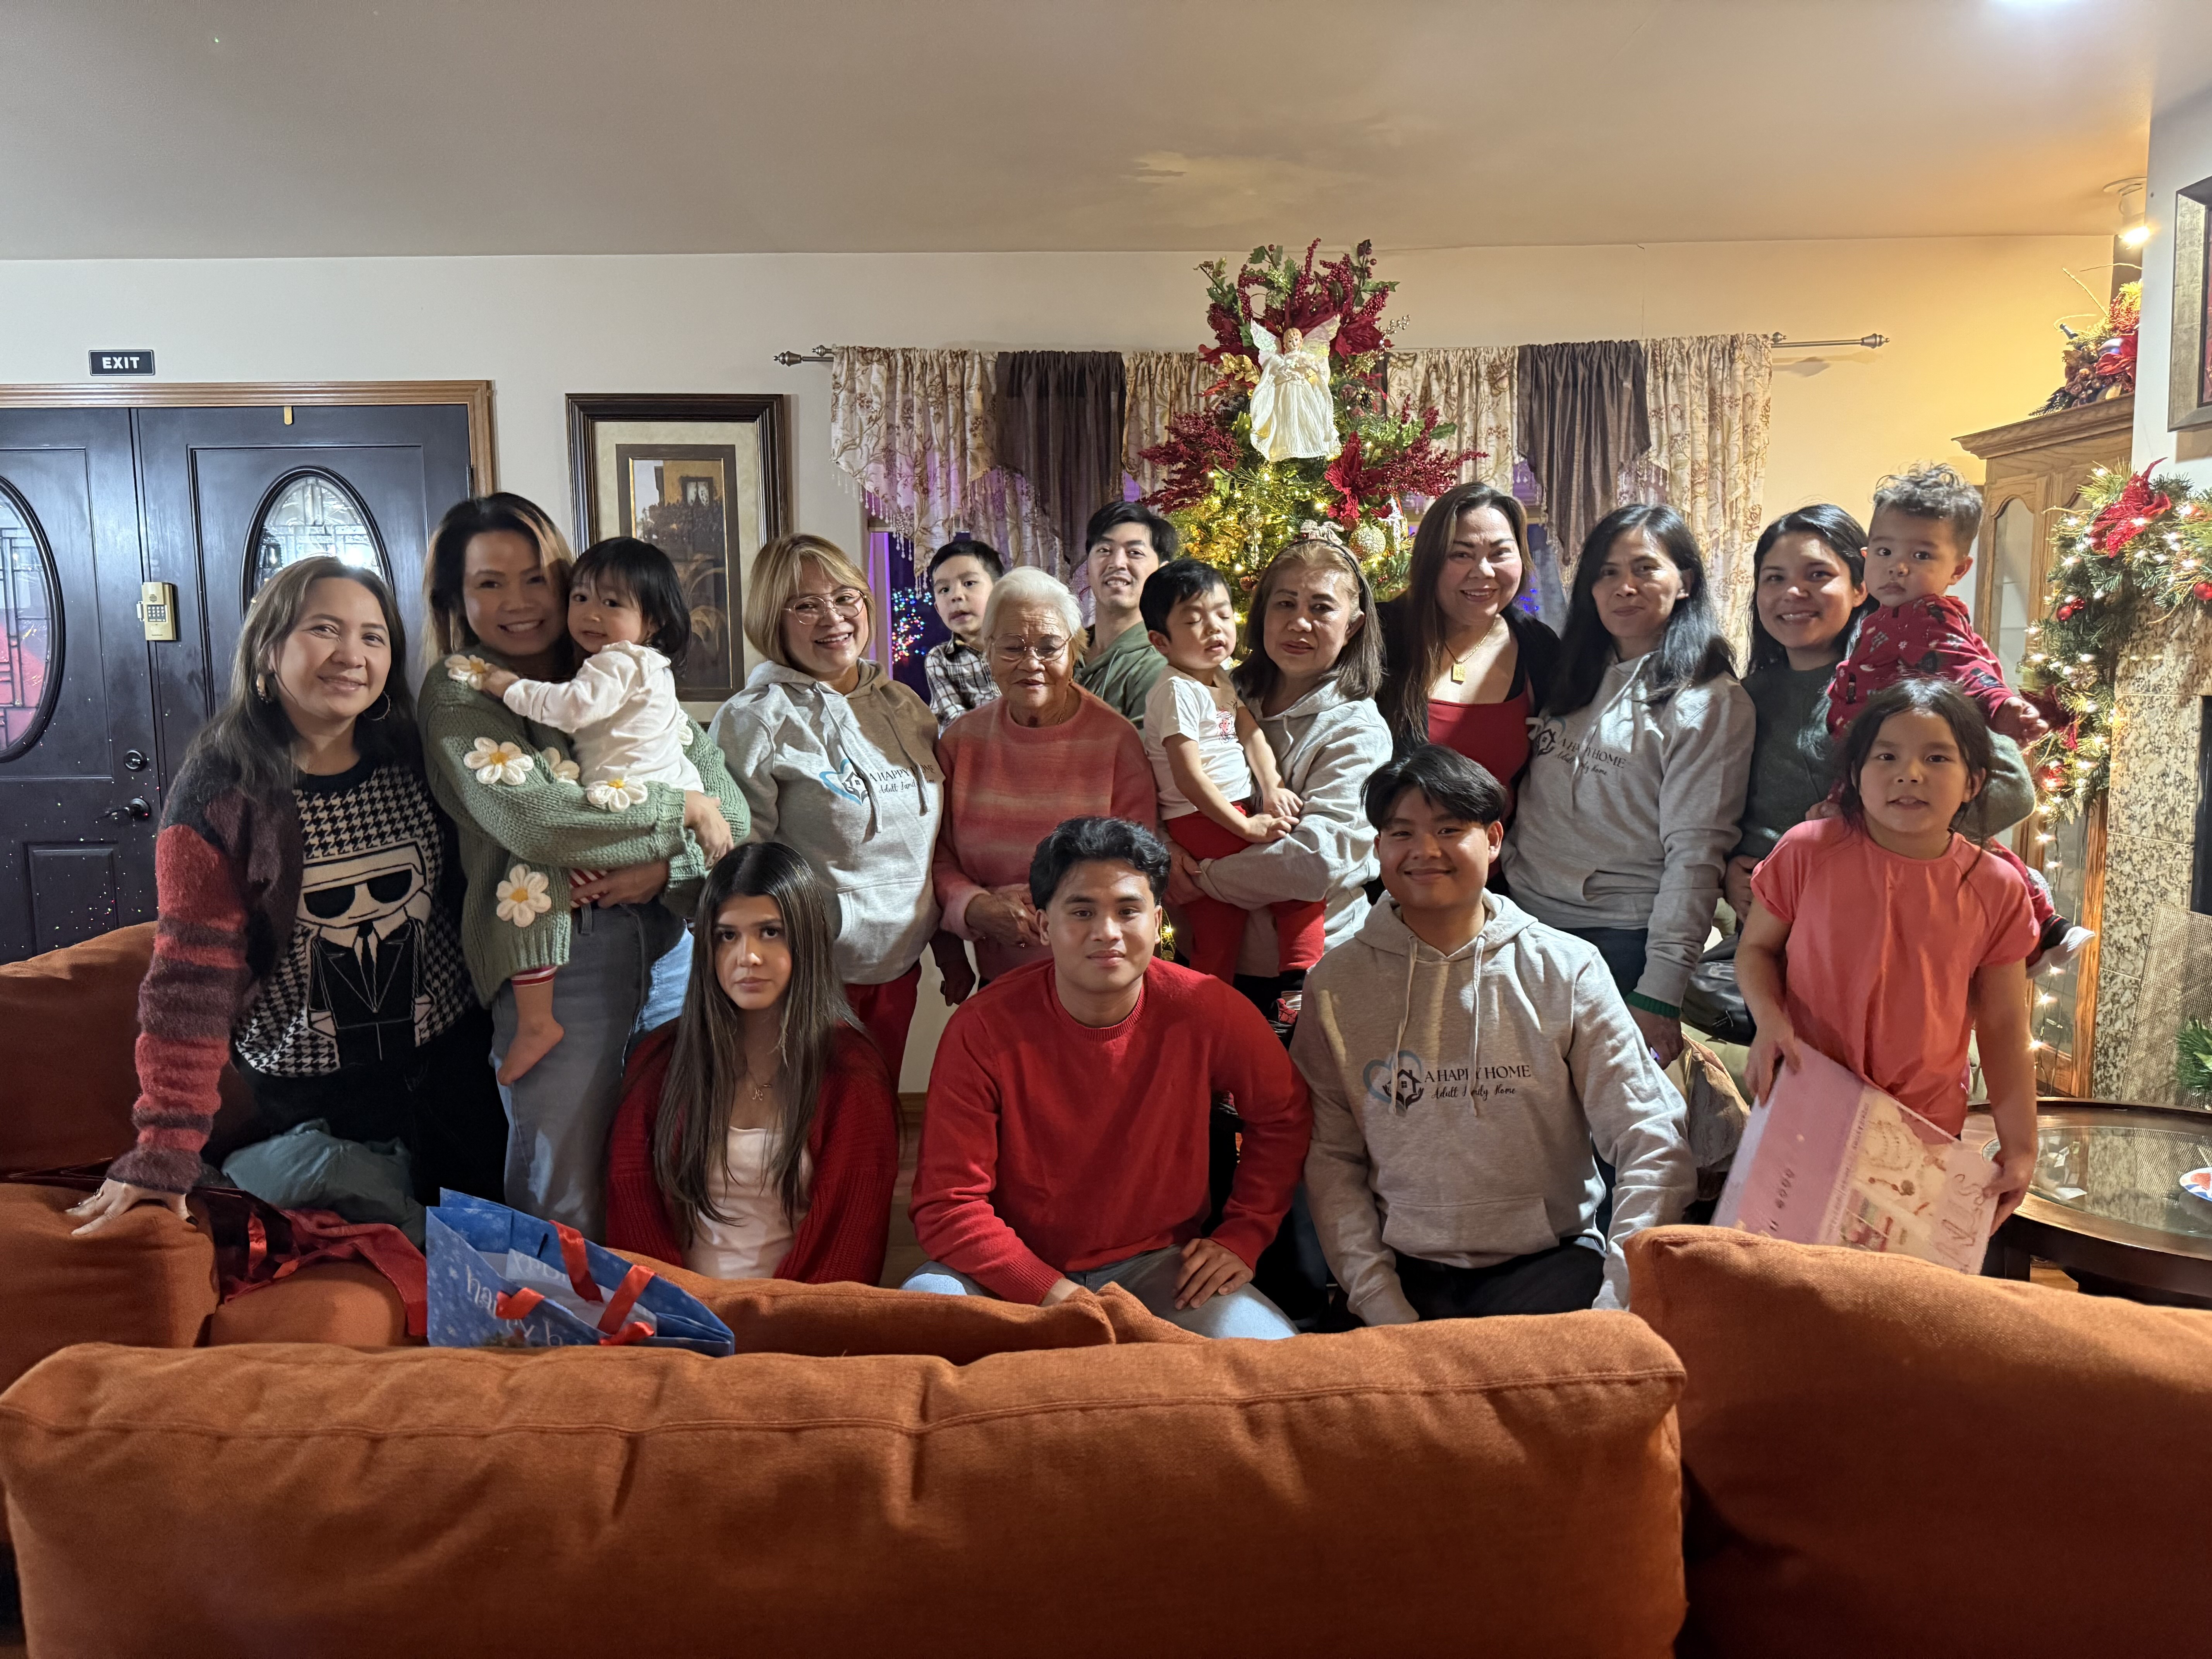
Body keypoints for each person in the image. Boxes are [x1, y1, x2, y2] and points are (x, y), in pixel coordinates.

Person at [70, 558, 506, 1236]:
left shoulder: (418, 758)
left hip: (456, 1078)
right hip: (315, 1109)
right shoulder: (221, 791)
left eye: (373, 636)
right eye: (325, 629)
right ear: (269, 650)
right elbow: (189, 982)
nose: (351, 654)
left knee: (487, 1291)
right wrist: (163, 1148)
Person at [418, 494, 748, 1240]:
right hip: (555, 964)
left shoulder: (621, 671)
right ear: (455, 597)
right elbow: (537, 820)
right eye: (489, 584)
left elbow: (729, 805)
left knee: (664, 1156)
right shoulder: (462, 688)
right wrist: (676, 819)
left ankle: (650, 1340)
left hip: (668, 946)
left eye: (537, 579)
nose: (519, 603)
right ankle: (558, 1345)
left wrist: (665, 872)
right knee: (560, 1178)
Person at [1296, 747, 1693, 1320]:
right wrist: (1379, 1300)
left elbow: (1650, 1136)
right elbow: (1331, 1158)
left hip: (1551, 1264)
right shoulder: (1335, 984)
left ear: (1494, 838)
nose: (1424, 850)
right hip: (1404, 1272)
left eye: (1450, 829)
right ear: (1379, 847)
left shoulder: (1567, 968)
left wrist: (1618, 1300)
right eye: (1401, 832)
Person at [904, 817, 1311, 1338]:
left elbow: (1284, 1114)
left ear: (1158, 920)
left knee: (1272, 1355)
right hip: (1005, 1268)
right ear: (1045, 925)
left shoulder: (1208, 1009)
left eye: (1128, 910)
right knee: (920, 1319)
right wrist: (1053, 1292)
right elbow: (948, 1205)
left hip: (1161, 1268)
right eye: (1082, 911)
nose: (1107, 933)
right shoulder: (982, 1029)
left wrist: (1244, 1235)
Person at [1738, 678, 2039, 1221]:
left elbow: (2002, 1025)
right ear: (1856, 774)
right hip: (1808, 1103)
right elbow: (1756, 951)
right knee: (1787, 1275)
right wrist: (1769, 1021)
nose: (1910, 773)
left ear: (1973, 782)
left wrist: (2020, 1147)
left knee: (1888, 1288)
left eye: (1937, 757)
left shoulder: (1997, 887)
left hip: (1921, 1127)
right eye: (1887, 756)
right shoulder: (1808, 851)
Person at [453, 536, 735, 1084]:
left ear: (652, 621)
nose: (591, 614)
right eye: (581, 598)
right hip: (666, 794)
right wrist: (687, 825)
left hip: (634, 798)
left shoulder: (614, 664)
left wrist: (510, 688)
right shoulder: (649, 667)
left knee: (542, 895)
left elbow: (571, 709)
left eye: (613, 604)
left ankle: (538, 1023)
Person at [1500, 505, 1753, 1066]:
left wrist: (1660, 991)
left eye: (1645, 569)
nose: (1625, 587)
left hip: (1618, 940)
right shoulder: (1575, 670)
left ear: (1685, 582)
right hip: (1524, 922)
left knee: (1611, 1134)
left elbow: (1695, 854)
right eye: (1607, 572)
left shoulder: (1708, 700)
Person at [1820, 464, 2088, 974]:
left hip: (1907, 756)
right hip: (1869, 758)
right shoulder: (1879, 620)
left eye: (1921, 555)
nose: (1898, 567)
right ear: (1866, 557)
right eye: (1884, 552)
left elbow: (1967, 667)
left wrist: (2001, 707)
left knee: (1957, 849)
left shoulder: (1931, 617)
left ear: (1959, 569)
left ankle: (2033, 912)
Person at [604, 844, 900, 1283]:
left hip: (800, 1330)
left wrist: (774, 1331)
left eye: (770, 932)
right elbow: (633, 1218)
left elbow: (851, 1244)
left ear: (805, 939)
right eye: (728, 935)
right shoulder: (662, 1061)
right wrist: (683, 1318)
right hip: (683, 1323)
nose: (748, 957)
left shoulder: (851, 1073)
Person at [709, 533, 943, 1081]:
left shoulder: (903, 706)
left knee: (875, 1123)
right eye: (807, 605)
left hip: (899, 965)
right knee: (806, 1136)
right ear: (774, 619)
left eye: (846, 597)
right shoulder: (753, 720)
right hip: (807, 976)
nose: (834, 617)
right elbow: (738, 864)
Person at [1167, 530, 1393, 1000]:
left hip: (1304, 973)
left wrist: (1201, 878)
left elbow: (1315, 862)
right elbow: (1161, 780)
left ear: (1352, 626)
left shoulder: (1358, 730)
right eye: (1285, 604)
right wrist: (1162, 851)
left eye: (1322, 608)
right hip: (1203, 951)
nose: (1300, 624)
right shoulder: (1216, 690)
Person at [933, 568, 1155, 988]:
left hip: (1101, 977)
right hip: (1000, 977)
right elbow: (938, 857)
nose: (1031, 664)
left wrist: (1057, 909)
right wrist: (974, 906)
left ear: (1074, 653)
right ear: (989, 653)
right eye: (1013, 647)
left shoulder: (1114, 740)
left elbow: (1138, 865)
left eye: (1050, 647)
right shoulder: (962, 742)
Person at [1137, 556, 1321, 983]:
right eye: (1194, 620)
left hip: (1231, 809)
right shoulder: (1176, 690)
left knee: (1221, 930)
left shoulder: (1219, 679)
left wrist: (1272, 785)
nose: (1215, 628)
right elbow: (1189, 778)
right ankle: (1297, 981)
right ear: (1160, 641)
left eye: (1222, 613)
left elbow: (1252, 735)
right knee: (1293, 878)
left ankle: (1261, 989)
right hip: (1201, 818)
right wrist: (1246, 829)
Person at [1378, 482, 1562, 812]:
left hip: (1504, 861)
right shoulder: (1381, 635)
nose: (1483, 571)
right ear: (1430, 561)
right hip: (1390, 859)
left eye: (1500, 553)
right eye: (1461, 554)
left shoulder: (1539, 647)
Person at [1073, 501, 1171, 726]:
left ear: (1162, 574)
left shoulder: (1161, 665)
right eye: (1104, 551)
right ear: (1088, 570)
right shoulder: (1062, 651)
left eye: (1134, 553)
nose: (1117, 563)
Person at [922, 538, 1003, 731]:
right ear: (938, 609)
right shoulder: (940, 659)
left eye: (969, 583)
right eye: (944, 590)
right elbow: (954, 720)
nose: (955, 596)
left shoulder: (1020, 645)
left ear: (1000, 591)